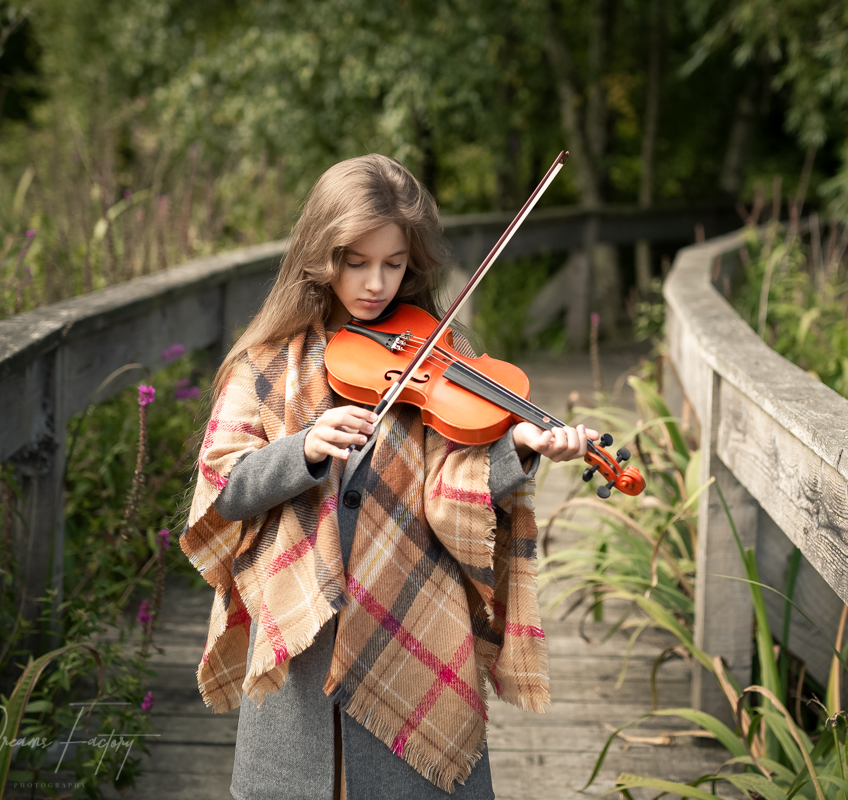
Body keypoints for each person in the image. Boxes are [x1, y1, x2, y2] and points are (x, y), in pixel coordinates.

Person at [179, 154, 598, 800]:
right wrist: (304, 449)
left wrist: (519, 446)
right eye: (357, 262)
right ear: (322, 255)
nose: (376, 283)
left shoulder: (440, 355)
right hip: (303, 642)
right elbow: (225, 488)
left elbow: (458, 490)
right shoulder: (264, 366)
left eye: (393, 264)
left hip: (409, 627)